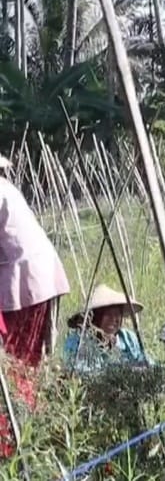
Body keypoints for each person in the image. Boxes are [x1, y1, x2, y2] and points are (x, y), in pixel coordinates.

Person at [0, 153, 70, 406]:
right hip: (35, 278)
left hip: (25, 282)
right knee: (26, 361)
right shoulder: (6, 189)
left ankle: (16, 420)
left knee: (17, 361)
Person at [62, 284, 150, 374]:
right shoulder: (78, 340)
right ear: (96, 317)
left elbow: (146, 362)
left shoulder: (128, 339)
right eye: (108, 314)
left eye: (117, 314)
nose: (114, 319)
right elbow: (79, 371)